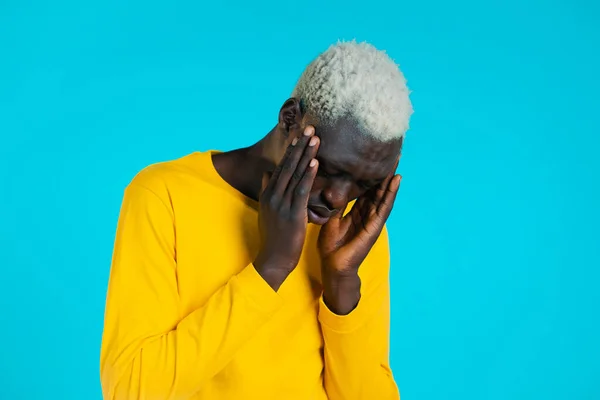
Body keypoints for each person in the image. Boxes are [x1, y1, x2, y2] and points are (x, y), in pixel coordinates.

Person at [100, 40, 413, 400]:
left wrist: (342, 292)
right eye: (327, 169)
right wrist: (271, 267)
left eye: (365, 183)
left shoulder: (350, 234)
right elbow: (131, 391)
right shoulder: (165, 196)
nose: (338, 199)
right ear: (290, 118)